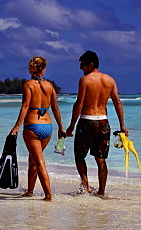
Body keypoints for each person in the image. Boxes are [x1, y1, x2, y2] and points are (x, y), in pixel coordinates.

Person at [65, 50, 128, 197]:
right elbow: (117, 102)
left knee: (79, 156)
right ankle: (101, 191)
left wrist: (71, 126)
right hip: (103, 123)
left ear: (91, 64)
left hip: (86, 122)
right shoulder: (110, 80)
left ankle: (85, 185)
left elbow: (79, 104)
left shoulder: (85, 80)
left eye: (83, 65)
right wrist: (122, 125)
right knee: (101, 159)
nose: (81, 68)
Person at [10, 56, 65, 200]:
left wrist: (16, 126)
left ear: (30, 68)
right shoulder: (49, 86)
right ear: (44, 69)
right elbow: (55, 107)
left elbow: (26, 105)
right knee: (33, 159)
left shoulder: (28, 84)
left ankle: (48, 195)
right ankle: (30, 191)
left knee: (39, 162)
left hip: (32, 127)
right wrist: (61, 127)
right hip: (48, 127)